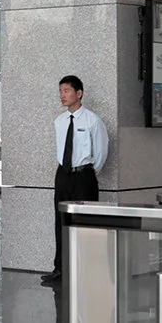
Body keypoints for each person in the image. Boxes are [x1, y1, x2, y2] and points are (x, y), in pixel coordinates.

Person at [44, 74, 109, 287]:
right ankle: (60, 269)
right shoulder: (59, 121)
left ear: (78, 93)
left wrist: (86, 172)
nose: (62, 95)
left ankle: (86, 270)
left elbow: (101, 152)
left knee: (85, 223)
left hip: (83, 176)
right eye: (60, 91)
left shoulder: (92, 120)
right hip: (63, 175)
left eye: (66, 91)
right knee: (61, 222)